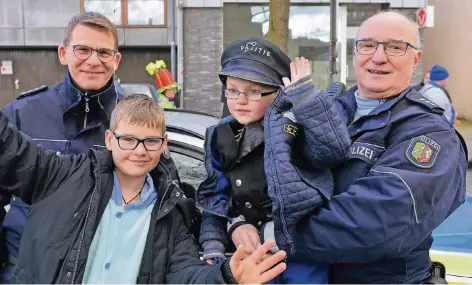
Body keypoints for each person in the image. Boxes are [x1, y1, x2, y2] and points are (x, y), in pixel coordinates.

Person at [0, 94, 287, 284]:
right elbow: (11, 150)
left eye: (150, 141)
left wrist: (228, 275)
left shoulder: (172, 214)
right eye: (129, 140)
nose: (139, 150)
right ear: (110, 140)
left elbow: (186, 277)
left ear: (163, 145)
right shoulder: (62, 177)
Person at [277, 11, 468, 284]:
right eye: (367, 45)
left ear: (415, 59)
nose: (378, 57)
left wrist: (275, 233)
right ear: (356, 52)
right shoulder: (325, 110)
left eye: (395, 47)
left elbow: (375, 223)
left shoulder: (430, 133)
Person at [0, 12, 180, 282]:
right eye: (82, 50)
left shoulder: (134, 120)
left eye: (104, 52)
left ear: (116, 60)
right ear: (64, 53)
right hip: (24, 271)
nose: (93, 61)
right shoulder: (23, 113)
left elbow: (167, 193)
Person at [196, 37, 351, 284]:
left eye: (254, 91)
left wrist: (305, 99)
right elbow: (216, 196)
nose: (241, 100)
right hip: (252, 254)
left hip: (302, 252)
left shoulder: (296, 123)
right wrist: (217, 240)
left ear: (278, 92)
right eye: (233, 90)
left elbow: (334, 151)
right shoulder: (219, 134)